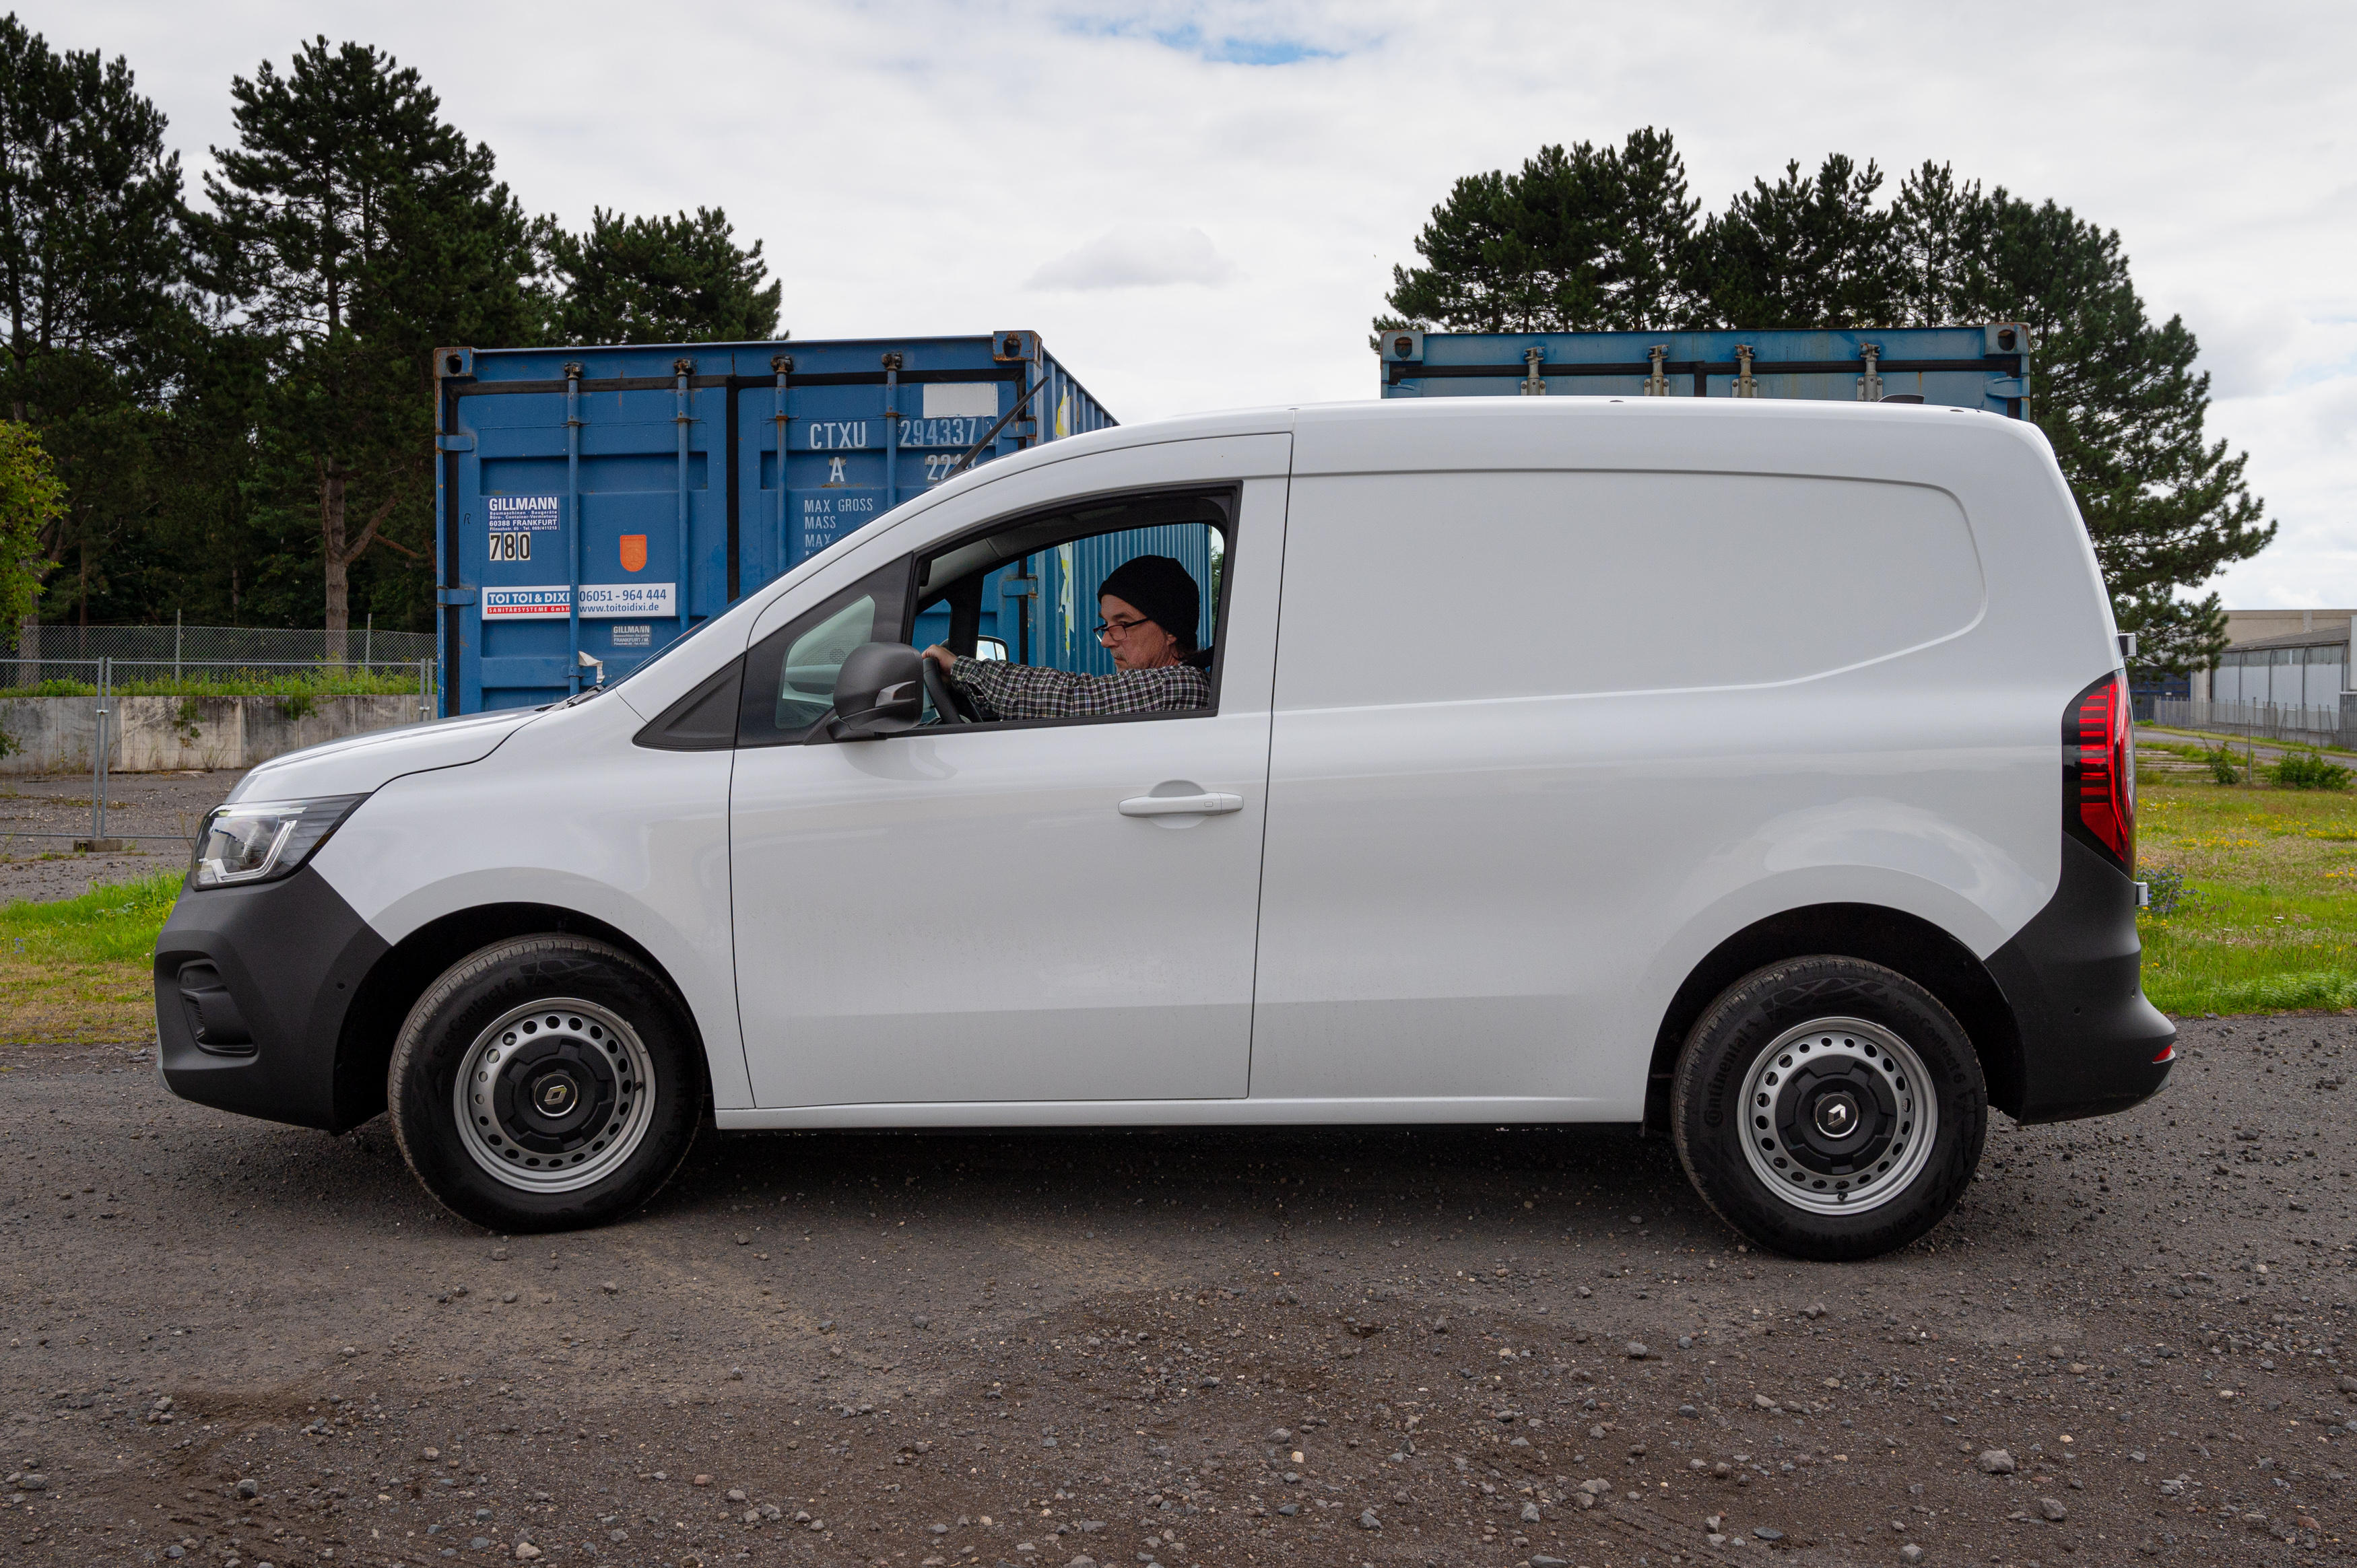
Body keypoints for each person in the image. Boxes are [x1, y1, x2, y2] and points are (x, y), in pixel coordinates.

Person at [923, 554, 1209, 720]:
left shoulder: (1181, 687)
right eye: (1105, 626)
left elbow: (1071, 698)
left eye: (1122, 624)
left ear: (1170, 630)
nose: (1108, 641)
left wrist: (962, 670)